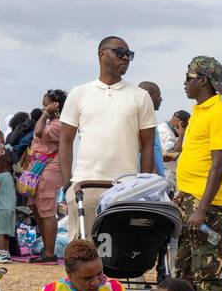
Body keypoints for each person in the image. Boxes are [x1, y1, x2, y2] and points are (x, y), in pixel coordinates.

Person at [59, 36, 156, 240]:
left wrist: (142, 188)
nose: (126, 58)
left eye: (129, 55)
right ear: (102, 54)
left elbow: (148, 146)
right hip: (84, 186)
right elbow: (65, 140)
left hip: (126, 189)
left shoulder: (140, 96)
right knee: (82, 254)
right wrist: (67, 184)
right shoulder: (79, 93)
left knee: (125, 252)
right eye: (120, 53)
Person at [173, 55, 222, 291]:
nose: (184, 83)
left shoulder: (219, 115)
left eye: (188, 78)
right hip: (188, 200)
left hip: (207, 206)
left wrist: (201, 208)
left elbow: (219, 164)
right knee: (185, 266)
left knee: (207, 269)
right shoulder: (200, 111)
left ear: (202, 80)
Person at [28, 89, 66, 262]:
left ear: (55, 105)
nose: (43, 107)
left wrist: (44, 114)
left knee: (46, 210)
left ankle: (49, 254)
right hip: (38, 168)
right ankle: (46, 250)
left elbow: (38, 132)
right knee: (36, 208)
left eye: (46, 104)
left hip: (49, 169)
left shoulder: (59, 124)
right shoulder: (51, 122)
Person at [0, 148, 17, 261]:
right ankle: (6, 253)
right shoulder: (11, 177)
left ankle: (1, 253)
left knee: (0, 231)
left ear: (1, 165)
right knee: (6, 233)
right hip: (11, 209)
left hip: (1, 208)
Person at [138, 80, 166, 176]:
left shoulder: (150, 119)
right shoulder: (140, 120)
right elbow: (143, 149)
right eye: (158, 95)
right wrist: (154, 178)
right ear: (148, 97)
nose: (161, 99)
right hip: (150, 177)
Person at [163, 109, 189, 190]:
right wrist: (181, 136)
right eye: (186, 125)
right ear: (181, 123)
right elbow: (170, 157)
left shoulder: (171, 132)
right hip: (165, 179)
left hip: (170, 178)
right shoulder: (164, 132)